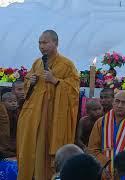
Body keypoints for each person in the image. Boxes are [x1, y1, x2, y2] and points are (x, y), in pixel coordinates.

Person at [17, 30, 80, 180]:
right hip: (33, 118)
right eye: (39, 42)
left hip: (52, 119)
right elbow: (26, 88)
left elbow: (74, 91)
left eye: (45, 42)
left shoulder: (67, 65)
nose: (41, 46)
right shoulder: (37, 63)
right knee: (29, 152)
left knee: (44, 155)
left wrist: (55, 80)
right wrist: (29, 82)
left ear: (56, 43)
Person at [87, 90, 125, 178]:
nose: (120, 105)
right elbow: (92, 149)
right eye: (117, 101)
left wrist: (123, 169)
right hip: (103, 171)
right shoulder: (100, 122)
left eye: (124, 103)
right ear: (113, 102)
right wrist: (103, 166)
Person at [0, 92, 18, 159]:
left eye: (15, 101)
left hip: (14, 141)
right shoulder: (2, 113)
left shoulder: (18, 112)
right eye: (10, 101)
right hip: (4, 143)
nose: (13, 103)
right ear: (3, 103)